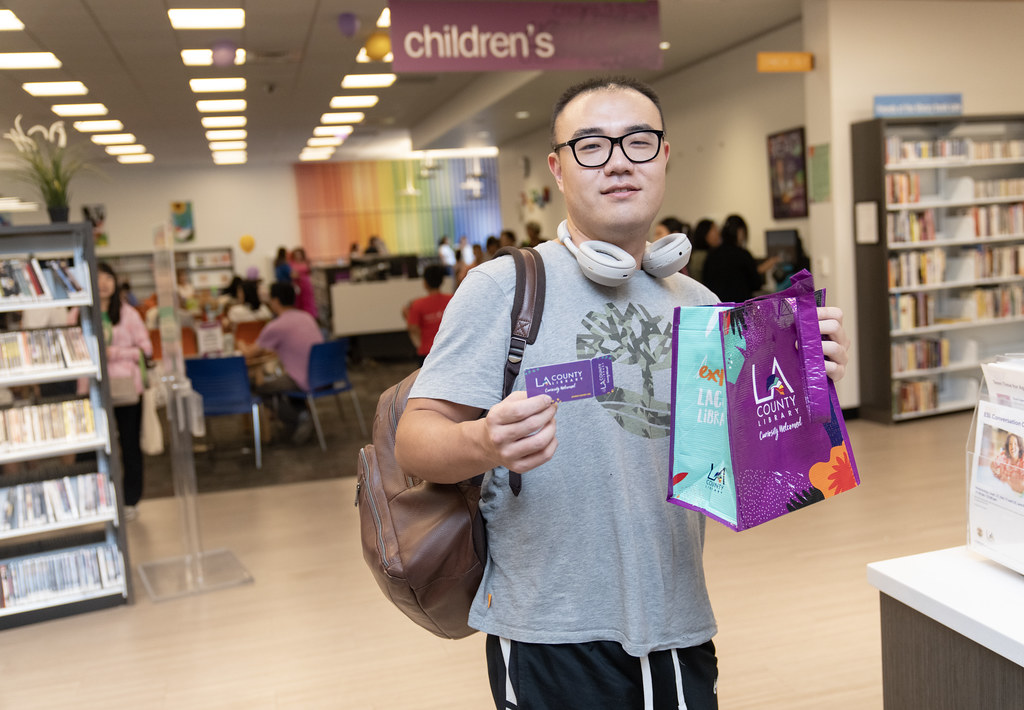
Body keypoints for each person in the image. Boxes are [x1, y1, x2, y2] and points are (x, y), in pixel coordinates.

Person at [394, 76, 849, 709]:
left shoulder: (700, 304)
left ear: (664, 157)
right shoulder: (504, 288)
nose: (617, 162)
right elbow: (414, 442)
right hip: (549, 630)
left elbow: (738, 471)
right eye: (591, 146)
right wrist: (483, 442)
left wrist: (802, 393)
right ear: (558, 168)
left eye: (638, 141)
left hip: (680, 620)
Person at [97, 262, 153, 521]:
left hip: (128, 389)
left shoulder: (129, 314)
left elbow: (146, 349)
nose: (104, 283)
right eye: (98, 278)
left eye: (108, 278)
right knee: (100, 448)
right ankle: (101, 499)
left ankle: (130, 500)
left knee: (130, 445)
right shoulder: (80, 313)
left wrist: (114, 353)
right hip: (96, 391)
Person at [239, 282, 323, 445]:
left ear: (275, 301)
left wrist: (240, 343)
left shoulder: (277, 326)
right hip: (322, 374)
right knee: (280, 385)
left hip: (301, 379)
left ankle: (299, 417)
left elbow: (249, 353)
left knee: (259, 388)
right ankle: (300, 414)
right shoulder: (307, 317)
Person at [701, 214, 778, 302]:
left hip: (718, 306)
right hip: (740, 306)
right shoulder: (743, 254)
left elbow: (706, 283)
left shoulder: (711, 255)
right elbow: (756, 284)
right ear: (740, 231)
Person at [403, 264, 453, 366]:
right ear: (442, 281)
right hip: (450, 350)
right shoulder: (452, 299)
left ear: (425, 283)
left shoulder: (417, 304)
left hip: (427, 352)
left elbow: (413, 328)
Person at [687, 218, 720, 285]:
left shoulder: (696, 254)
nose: (718, 234)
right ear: (705, 233)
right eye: (714, 230)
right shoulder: (700, 256)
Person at [289, 247, 319, 321]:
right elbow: (292, 274)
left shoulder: (306, 262)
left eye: (299, 254)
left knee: (308, 301)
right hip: (297, 284)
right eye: (296, 254)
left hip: (306, 284)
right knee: (299, 301)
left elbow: (310, 272)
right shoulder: (291, 263)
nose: (298, 256)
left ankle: (311, 316)